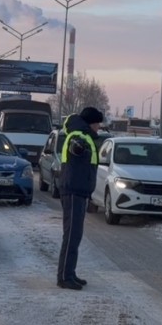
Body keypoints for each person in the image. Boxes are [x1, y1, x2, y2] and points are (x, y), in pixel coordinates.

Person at [57, 106, 104, 291]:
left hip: (79, 192)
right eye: (97, 123)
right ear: (91, 123)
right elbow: (75, 147)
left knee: (75, 236)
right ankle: (64, 277)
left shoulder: (84, 135)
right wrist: (79, 147)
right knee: (71, 235)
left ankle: (70, 272)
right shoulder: (78, 136)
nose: (99, 127)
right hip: (73, 192)